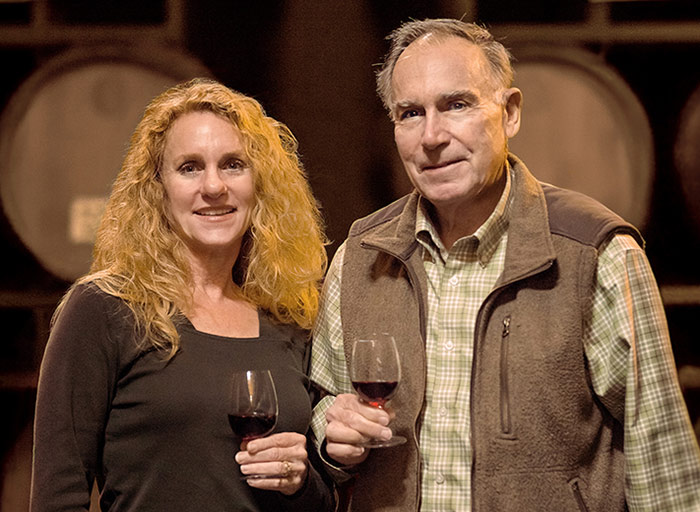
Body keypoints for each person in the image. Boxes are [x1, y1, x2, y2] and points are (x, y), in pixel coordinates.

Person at [309, 18, 700, 512]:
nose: (432, 136)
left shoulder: (596, 254)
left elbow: (661, 464)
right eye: (410, 113)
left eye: (456, 105)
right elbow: (324, 408)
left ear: (510, 112)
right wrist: (331, 435)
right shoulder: (360, 258)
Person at [30, 78, 334, 511]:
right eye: (190, 167)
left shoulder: (290, 319)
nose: (213, 187)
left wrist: (299, 482)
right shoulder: (104, 308)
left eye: (233, 164)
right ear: (158, 189)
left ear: (260, 185)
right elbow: (58, 496)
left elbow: (321, 502)